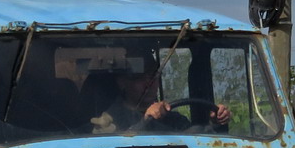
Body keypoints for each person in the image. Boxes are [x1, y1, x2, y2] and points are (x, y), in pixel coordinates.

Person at [89, 57, 230, 134]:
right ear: (122, 82)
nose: (149, 83)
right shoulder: (107, 120)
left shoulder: (171, 118)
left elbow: (193, 139)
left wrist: (216, 123)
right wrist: (144, 121)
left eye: (153, 76)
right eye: (140, 77)